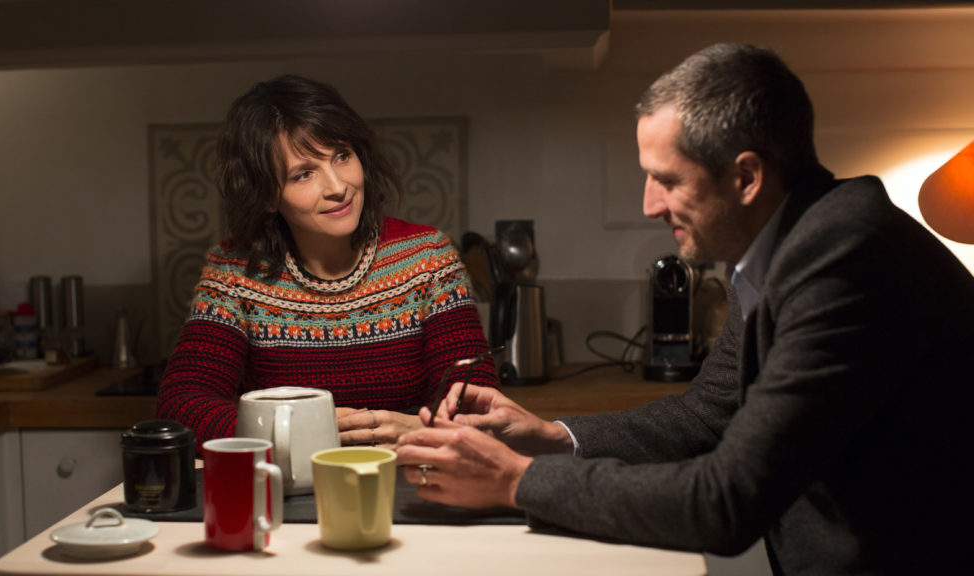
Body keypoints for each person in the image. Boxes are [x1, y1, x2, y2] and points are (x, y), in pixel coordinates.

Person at [396, 43, 974, 575]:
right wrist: (549, 436)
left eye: (665, 179)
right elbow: (706, 415)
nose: (649, 205)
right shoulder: (783, 242)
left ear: (746, 177)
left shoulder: (847, 260)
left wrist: (515, 480)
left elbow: (727, 502)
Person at [157, 74, 496, 451]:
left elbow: (478, 402)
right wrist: (295, 427)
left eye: (342, 156)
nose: (337, 186)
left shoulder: (427, 257)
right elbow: (181, 405)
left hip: (414, 480)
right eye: (304, 174)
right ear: (268, 196)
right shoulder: (235, 272)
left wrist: (417, 427)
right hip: (286, 493)